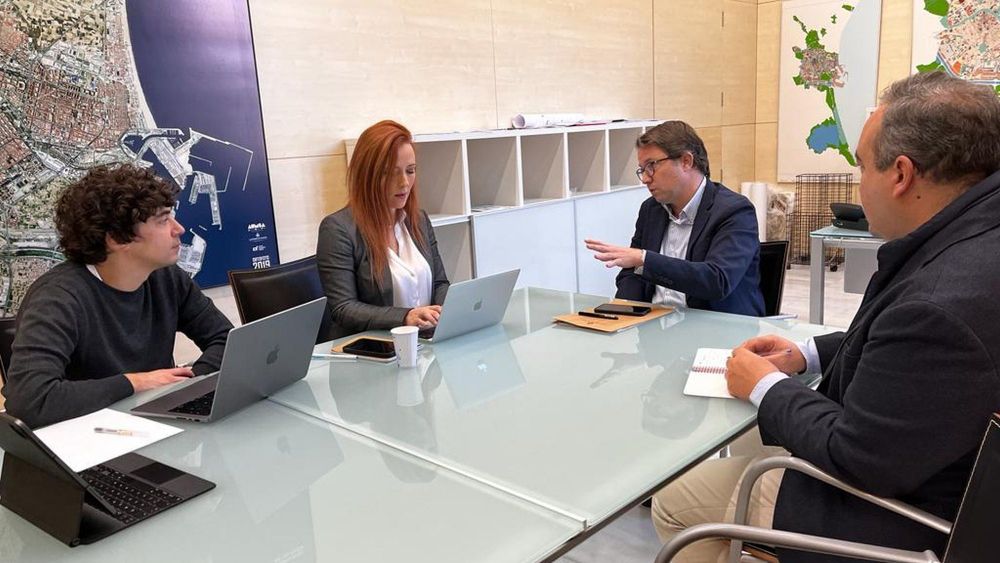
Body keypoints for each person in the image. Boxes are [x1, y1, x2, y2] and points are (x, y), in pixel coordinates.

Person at [653, 71, 1000, 562]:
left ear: (901, 175)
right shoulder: (974, 240)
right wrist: (808, 353)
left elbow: (858, 455)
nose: (859, 183)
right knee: (756, 436)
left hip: (901, 515)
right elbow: (907, 352)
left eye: (862, 166)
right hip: (934, 467)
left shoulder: (940, 304)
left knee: (676, 500)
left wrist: (765, 385)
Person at [2, 165, 232, 428]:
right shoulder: (57, 298)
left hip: (156, 423)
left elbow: (227, 340)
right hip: (87, 436)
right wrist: (135, 382)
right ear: (117, 239)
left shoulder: (167, 278)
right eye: (162, 220)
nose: (178, 228)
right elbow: (30, 399)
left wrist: (185, 385)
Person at [584, 121, 764, 316]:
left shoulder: (734, 211)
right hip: (654, 325)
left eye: (651, 166)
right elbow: (631, 273)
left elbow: (717, 281)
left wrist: (644, 259)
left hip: (716, 328)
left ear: (686, 161)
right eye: (642, 169)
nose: (645, 179)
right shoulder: (651, 209)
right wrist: (622, 314)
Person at [317, 120, 449, 340]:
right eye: (391, 173)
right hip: (375, 350)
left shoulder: (418, 220)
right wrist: (406, 317)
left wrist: (443, 311)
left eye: (410, 171)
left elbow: (440, 283)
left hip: (425, 344)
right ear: (367, 175)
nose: (404, 183)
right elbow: (344, 308)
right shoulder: (338, 230)